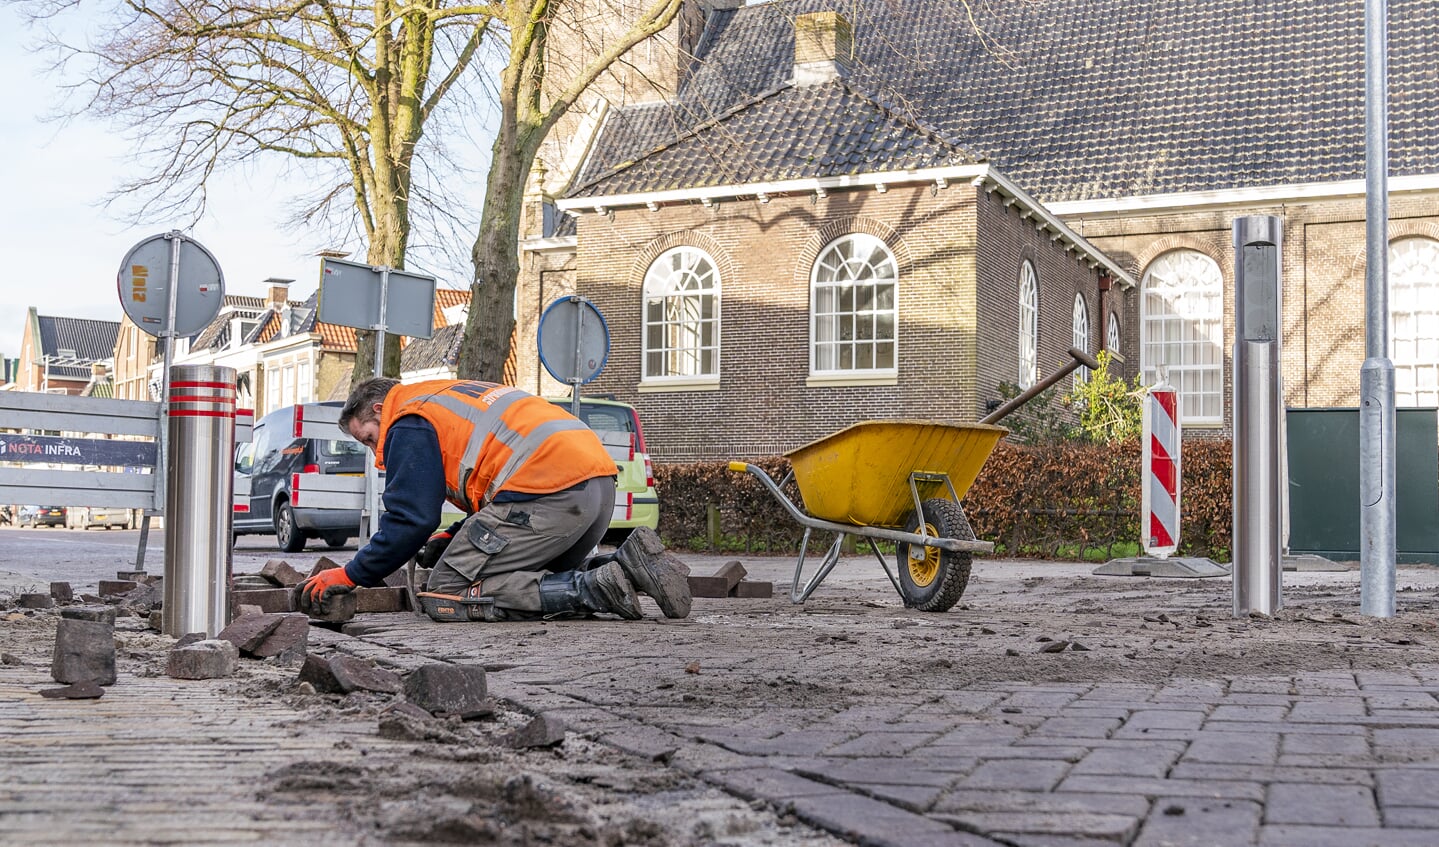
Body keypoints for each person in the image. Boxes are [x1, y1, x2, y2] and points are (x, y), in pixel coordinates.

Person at [297, 378, 691, 623]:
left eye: (368, 438)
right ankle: (628, 565)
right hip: (595, 489)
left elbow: (410, 519)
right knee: (529, 572)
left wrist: (351, 574)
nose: (373, 450)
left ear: (380, 409)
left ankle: (591, 589)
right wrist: (452, 538)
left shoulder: (407, 419)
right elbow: (493, 494)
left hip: (548, 494)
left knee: (448, 590)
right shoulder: (442, 395)